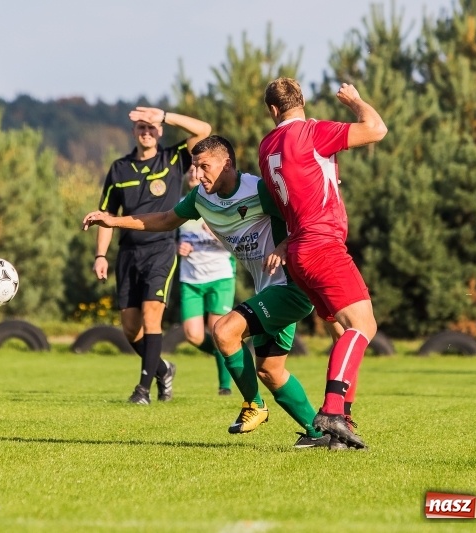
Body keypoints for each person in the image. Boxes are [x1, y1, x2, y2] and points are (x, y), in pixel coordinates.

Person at [84, 135, 334, 449]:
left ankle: (254, 406)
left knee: (224, 331)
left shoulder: (258, 190)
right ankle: (320, 434)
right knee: (271, 371)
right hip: (268, 288)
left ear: (226, 163)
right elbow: (163, 219)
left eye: (205, 167)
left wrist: (285, 245)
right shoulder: (201, 198)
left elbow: (305, 218)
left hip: (292, 287)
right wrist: (112, 220)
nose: (199, 174)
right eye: (195, 167)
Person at [258, 77, 387, 448]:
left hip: (298, 250)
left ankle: (340, 426)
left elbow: (295, 184)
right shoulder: (313, 132)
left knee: (342, 331)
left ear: (272, 110)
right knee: (363, 326)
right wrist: (356, 102)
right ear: (302, 102)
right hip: (323, 245)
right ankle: (332, 411)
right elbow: (377, 129)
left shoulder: (266, 146)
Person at [93, 106, 211, 405]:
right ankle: (162, 368)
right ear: (134, 133)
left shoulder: (173, 158)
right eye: (141, 128)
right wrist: (100, 255)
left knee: (151, 314)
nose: (147, 132)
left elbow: (204, 130)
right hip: (128, 253)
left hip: (160, 249)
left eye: (151, 127)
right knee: (131, 327)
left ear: (159, 131)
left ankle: (143, 390)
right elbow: (107, 214)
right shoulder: (119, 168)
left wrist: (166, 116)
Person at [177, 171, 237, 396]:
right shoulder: (181, 206)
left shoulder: (220, 205)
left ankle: (225, 386)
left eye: (199, 171)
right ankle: (224, 355)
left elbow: (237, 242)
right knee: (193, 335)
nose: (194, 174)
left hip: (220, 276)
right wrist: (178, 248)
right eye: (191, 171)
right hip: (190, 278)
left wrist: (215, 233)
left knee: (218, 331)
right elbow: (171, 236)